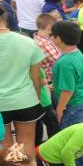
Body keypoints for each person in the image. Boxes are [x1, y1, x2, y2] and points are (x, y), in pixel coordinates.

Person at [0, 0, 44, 158]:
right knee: (26, 142)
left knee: (5, 144)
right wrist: (37, 99)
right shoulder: (28, 41)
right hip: (26, 99)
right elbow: (36, 77)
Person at [50, 20, 83, 166]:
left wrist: (59, 108)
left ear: (59, 39)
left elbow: (67, 90)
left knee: (77, 138)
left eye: (52, 35)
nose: (51, 38)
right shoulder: (77, 53)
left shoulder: (65, 61)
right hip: (82, 99)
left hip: (73, 104)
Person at [33, 14, 61, 144]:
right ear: (50, 27)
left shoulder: (41, 40)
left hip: (45, 84)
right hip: (47, 84)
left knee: (43, 120)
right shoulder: (43, 43)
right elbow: (59, 60)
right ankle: (52, 146)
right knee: (52, 120)